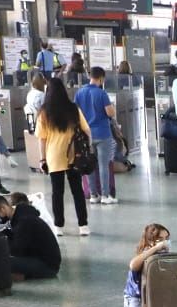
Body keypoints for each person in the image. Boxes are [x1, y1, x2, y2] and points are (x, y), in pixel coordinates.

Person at [35, 79, 90, 238]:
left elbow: (42, 139)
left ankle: (59, 226)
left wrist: (42, 159)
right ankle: (83, 225)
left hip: (54, 156)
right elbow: (86, 130)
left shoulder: (44, 112)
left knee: (57, 192)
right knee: (77, 191)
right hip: (73, 155)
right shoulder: (73, 108)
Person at [74, 67, 119, 204]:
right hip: (102, 133)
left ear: (90, 76)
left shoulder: (79, 93)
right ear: (101, 78)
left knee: (90, 164)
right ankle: (105, 196)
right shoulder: (101, 93)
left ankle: (93, 195)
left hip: (86, 134)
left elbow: (76, 113)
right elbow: (110, 113)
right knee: (103, 165)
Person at [0, 193, 60, 279]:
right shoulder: (23, 216)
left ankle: (25, 276)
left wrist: (1, 241)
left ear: (3, 209)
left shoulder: (24, 221)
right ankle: (24, 275)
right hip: (45, 260)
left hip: (48, 267)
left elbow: (17, 251)